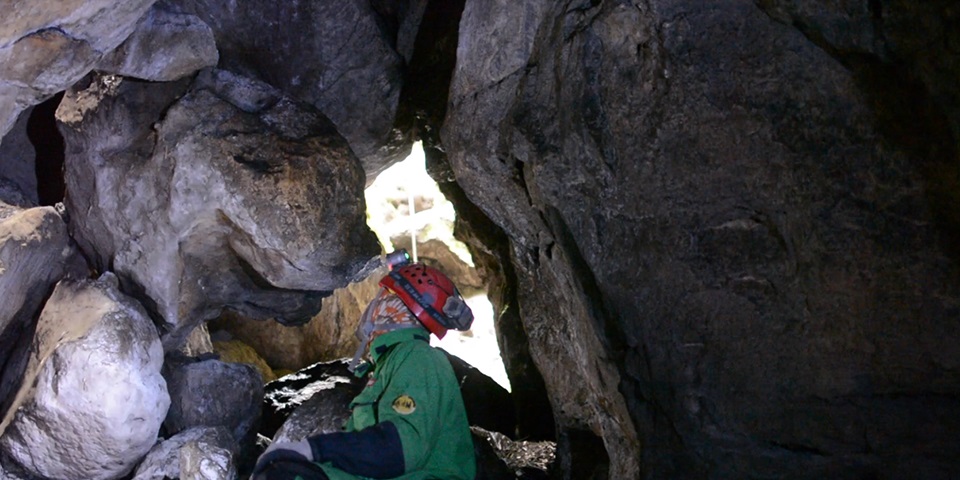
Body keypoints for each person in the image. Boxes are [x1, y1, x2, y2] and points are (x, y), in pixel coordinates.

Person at [252, 251, 476, 480]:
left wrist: (316, 449)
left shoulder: (418, 359)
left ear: (400, 308)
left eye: (386, 294)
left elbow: (397, 451)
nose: (376, 302)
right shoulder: (391, 362)